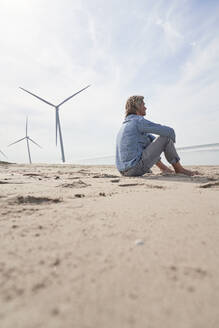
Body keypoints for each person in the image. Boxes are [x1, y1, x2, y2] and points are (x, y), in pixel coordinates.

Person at [116, 95, 198, 177]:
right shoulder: (138, 121)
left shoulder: (125, 125)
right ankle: (179, 169)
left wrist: (161, 147)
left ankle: (164, 168)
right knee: (166, 137)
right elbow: (168, 131)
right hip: (135, 169)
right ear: (137, 106)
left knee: (149, 140)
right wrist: (170, 143)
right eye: (143, 105)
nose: (145, 108)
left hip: (123, 171)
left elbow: (153, 142)